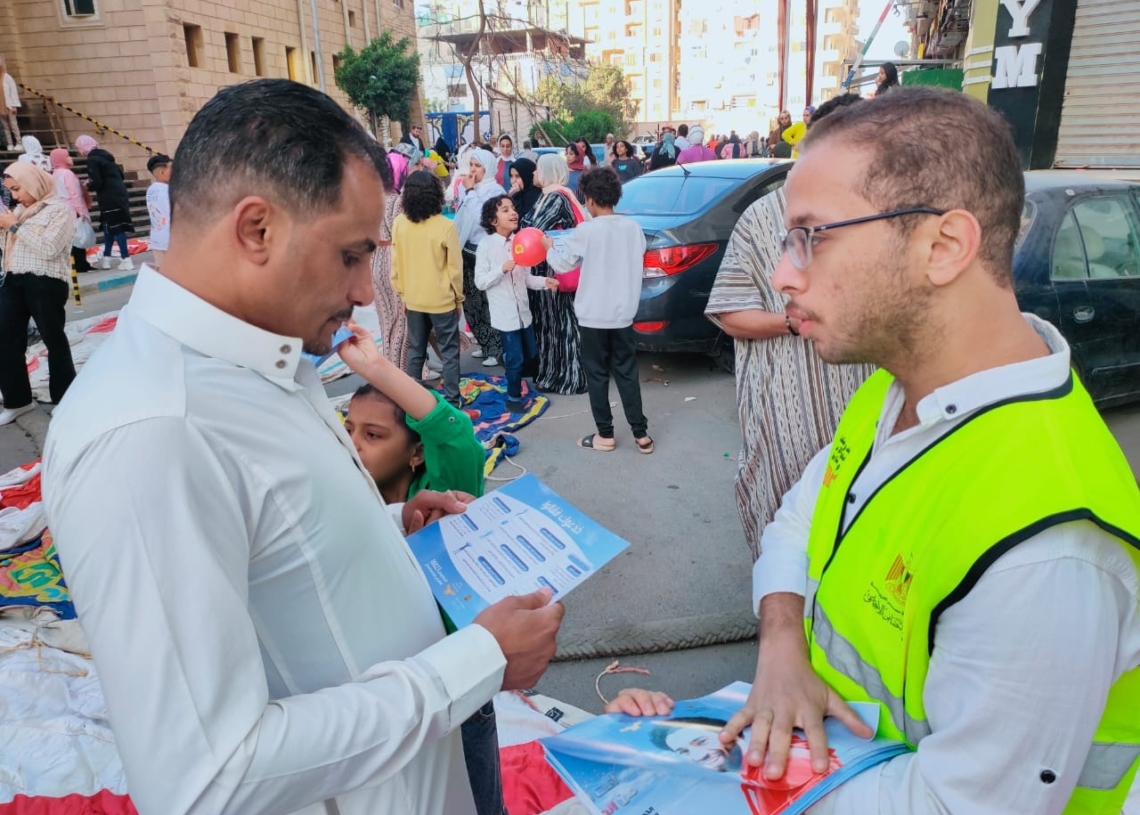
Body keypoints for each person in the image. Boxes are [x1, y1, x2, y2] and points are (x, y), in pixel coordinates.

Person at [41, 78, 565, 815]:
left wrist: (388, 529)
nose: (362, 289)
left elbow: (272, 548)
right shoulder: (150, 432)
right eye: (352, 255)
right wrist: (473, 661)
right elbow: (206, 779)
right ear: (256, 230)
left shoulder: (267, 354)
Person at [714, 88, 1140, 813]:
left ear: (944, 247)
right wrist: (782, 642)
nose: (783, 274)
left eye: (812, 236)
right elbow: (801, 517)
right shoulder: (892, 388)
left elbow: (951, 804)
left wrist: (745, 782)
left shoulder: (1046, 549)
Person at [705, 96, 872, 562]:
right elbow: (730, 314)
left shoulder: (884, 213)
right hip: (790, 413)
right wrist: (794, 321)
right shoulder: (762, 218)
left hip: (871, 407)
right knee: (791, 533)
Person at [544, 168, 650, 453]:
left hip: (593, 316)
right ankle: (641, 434)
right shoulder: (633, 228)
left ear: (589, 200)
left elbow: (564, 264)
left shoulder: (586, 230)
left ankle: (605, 434)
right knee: (627, 372)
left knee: (597, 375)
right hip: (623, 314)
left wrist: (548, 247)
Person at [0, 162, 77, 422]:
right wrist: (5, 228)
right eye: (10, 190)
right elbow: (11, 246)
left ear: (34, 183)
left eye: (18, 188)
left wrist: (13, 226)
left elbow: (48, 248)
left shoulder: (60, 210)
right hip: (13, 279)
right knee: (6, 339)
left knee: (52, 338)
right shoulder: (20, 210)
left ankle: (66, 397)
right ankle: (17, 400)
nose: (15, 196)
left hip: (46, 282)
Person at [474, 196, 558, 413]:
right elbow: (480, 281)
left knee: (530, 354)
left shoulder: (521, 243)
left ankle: (505, 358)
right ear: (493, 221)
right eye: (505, 210)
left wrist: (545, 282)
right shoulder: (486, 246)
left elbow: (527, 278)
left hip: (523, 313)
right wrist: (501, 269)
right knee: (516, 360)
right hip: (505, 315)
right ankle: (513, 398)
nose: (513, 213)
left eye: (513, 208)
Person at [392, 170, 464, 406]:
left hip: (412, 298)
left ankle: (413, 401)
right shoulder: (446, 226)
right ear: (436, 194)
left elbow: (396, 264)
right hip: (441, 300)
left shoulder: (400, 223)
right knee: (449, 352)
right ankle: (453, 401)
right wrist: (458, 300)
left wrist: (403, 294)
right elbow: (455, 270)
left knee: (416, 349)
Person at [521, 153, 588, 395]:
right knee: (562, 323)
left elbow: (530, 228)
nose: (533, 174)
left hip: (554, 270)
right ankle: (565, 375)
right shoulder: (562, 195)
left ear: (548, 171)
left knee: (559, 325)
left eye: (537, 169)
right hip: (558, 266)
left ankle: (566, 377)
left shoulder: (554, 198)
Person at [454, 147, 504, 367]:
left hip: (485, 251)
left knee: (487, 302)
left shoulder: (495, 191)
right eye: (471, 165)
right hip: (467, 250)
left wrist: (471, 192)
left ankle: (496, 348)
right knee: (471, 303)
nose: (473, 170)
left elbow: (483, 218)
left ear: (488, 168)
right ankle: (484, 344)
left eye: (478, 166)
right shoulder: (470, 189)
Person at [76, 135, 134, 271]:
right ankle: (106, 257)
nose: (78, 150)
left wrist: (87, 184)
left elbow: (97, 182)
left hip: (108, 197)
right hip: (119, 194)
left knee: (116, 226)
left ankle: (126, 258)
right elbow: (120, 175)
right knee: (108, 226)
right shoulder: (106, 156)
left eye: (78, 147)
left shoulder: (92, 159)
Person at [49, 147, 92, 276]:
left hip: (61, 209)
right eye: (67, 156)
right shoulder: (67, 174)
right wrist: (81, 211)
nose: (70, 158)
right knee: (79, 237)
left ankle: (77, 263)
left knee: (71, 238)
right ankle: (81, 264)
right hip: (72, 209)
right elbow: (74, 193)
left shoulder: (55, 173)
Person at [145, 154, 172, 269]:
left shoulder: (150, 190)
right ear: (162, 173)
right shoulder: (169, 191)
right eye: (172, 168)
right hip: (172, 240)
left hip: (157, 239)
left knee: (162, 275)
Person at [507, 157, 541, 222]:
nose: (513, 180)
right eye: (511, 176)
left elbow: (521, 221)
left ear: (527, 176)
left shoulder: (536, 196)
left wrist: (516, 197)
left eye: (518, 176)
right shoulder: (514, 194)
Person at [0, 54, 21, 151]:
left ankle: (19, 142)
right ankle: (10, 144)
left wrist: (14, 105)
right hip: (1, 106)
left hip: (9, 105)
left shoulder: (7, 77)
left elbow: (13, 92)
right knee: (5, 126)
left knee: (13, 125)